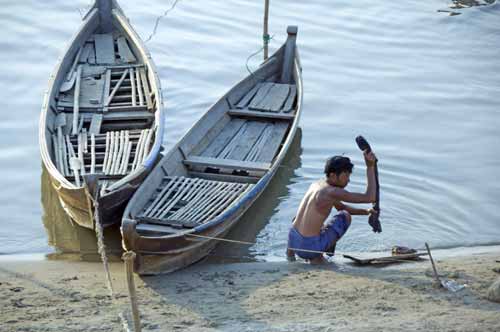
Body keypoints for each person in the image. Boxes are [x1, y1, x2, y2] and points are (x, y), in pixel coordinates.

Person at [287, 150, 377, 264]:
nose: (348, 180)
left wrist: (366, 212)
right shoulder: (332, 192)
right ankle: (317, 257)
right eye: (346, 176)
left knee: (299, 219)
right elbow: (370, 197)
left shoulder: (317, 185)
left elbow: (341, 207)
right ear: (333, 175)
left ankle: (290, 254)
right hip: (309, 248)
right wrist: (370, 166)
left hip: (293, 240)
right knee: (345, 217)